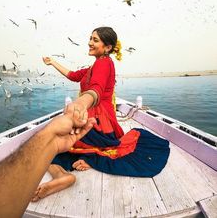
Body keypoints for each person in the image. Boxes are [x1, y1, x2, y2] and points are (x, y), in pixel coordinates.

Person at [37, 26, 170, 200]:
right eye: (90, 38)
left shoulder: (104, 63)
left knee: (50, 144)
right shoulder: (94, 66)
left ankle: (66, 172)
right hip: (96, 121)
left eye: (95, 40)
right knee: (55, 144)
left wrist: (80, 104)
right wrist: (52, 62)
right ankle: (64, 175)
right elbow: (72, 75)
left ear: (107, 47)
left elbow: (96, 90)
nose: (90, 42)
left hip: (98, 123)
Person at [0, 105, 96, 218]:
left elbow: (93, 92)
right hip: (91, 126)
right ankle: (62, 174)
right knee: (54, 150)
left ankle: (61, 173)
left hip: (86, 121)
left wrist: (78, 104)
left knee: (52, 152)